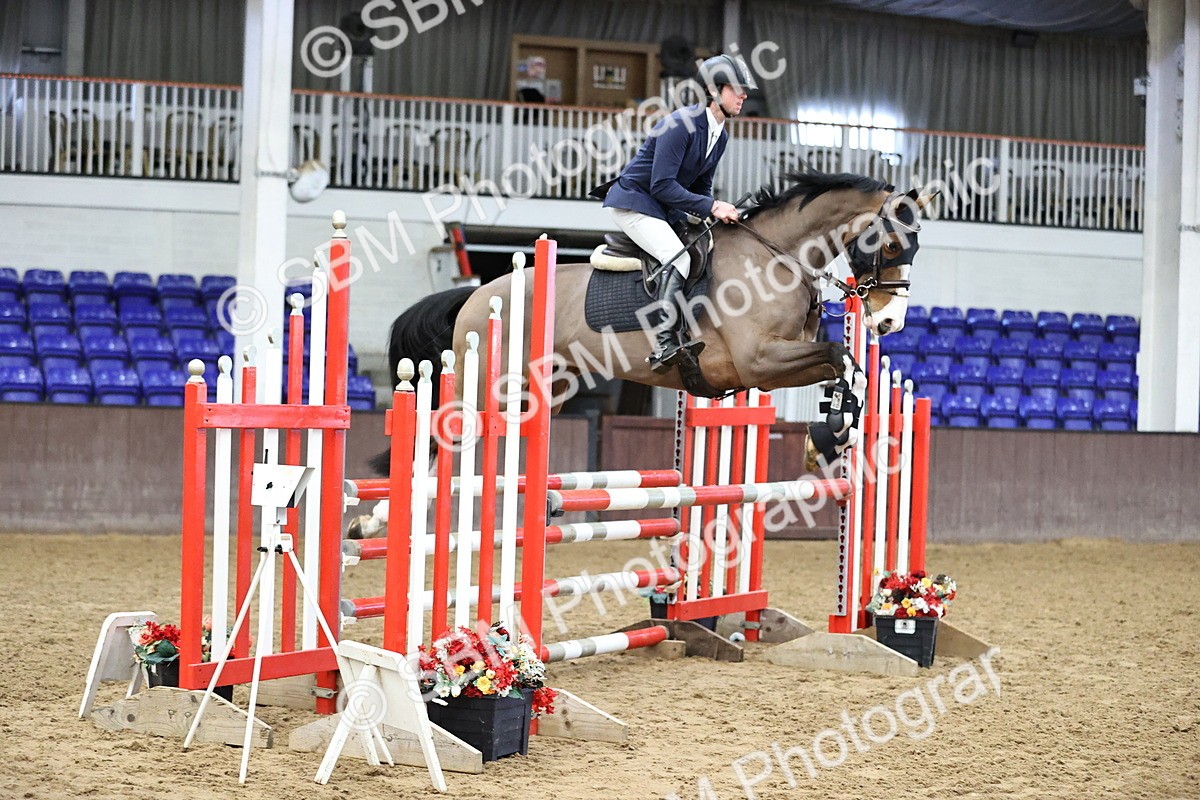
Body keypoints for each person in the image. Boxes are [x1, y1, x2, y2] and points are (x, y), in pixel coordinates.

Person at [595, 54, 756, 373]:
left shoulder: (720, 135)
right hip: (636, 202)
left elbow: (702, 185)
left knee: (706, 250)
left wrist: (717, 214)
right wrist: (711, 207)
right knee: (678, 256)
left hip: (664, 209)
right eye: (737, 89)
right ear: (714, 90)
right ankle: (664, 343)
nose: (744, 95)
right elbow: (661, 185)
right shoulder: (679, 124)